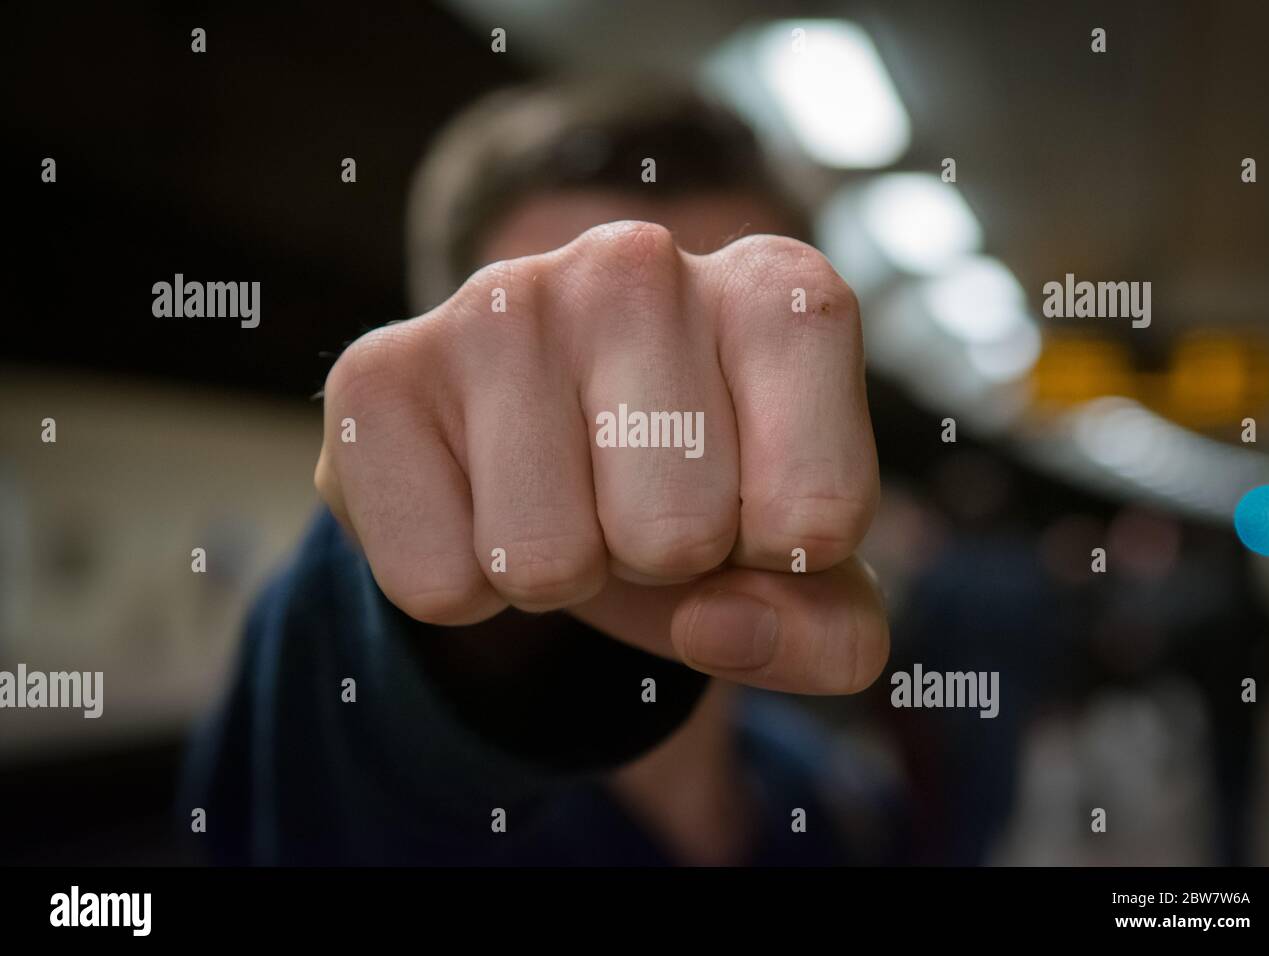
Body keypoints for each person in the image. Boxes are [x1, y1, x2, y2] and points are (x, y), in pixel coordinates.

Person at [182, 77, 900, 865]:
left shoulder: (819, 795)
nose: (657, 432)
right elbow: (350, 722)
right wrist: (458, 634)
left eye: (724, 352)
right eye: (554, 360)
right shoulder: (359, 770)